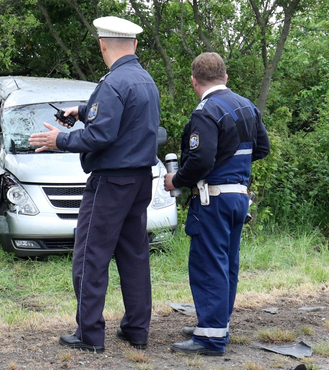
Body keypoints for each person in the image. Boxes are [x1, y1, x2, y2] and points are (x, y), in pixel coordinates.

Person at [29, 16, 160, 354]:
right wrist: (83, 110)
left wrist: (61, 139)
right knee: (134, 255)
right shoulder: (145, 80)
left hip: (110, 181)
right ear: (133, 44)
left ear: (103, 45)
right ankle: (136, 329)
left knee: (90, 254)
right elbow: (120, 118)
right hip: (140, 178)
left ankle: (89, 334)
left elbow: (101, 134)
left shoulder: (113, 83)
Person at [164, 52, 270, 356]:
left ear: (194, 82)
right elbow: (262, 148)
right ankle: (216, 323)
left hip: (213, 199)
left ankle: (210, 338)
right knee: (227, 264)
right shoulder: (247, 106)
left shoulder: (205, 112)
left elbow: (201, 159)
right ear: (225, 77)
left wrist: (177, 181)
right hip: (239, 198)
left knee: (208, 265)